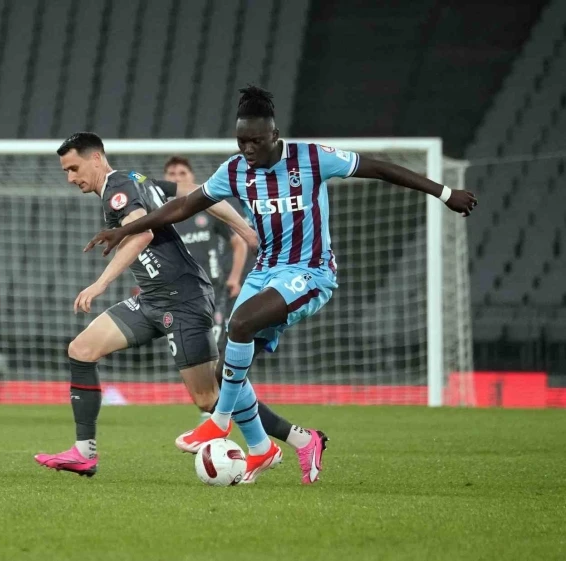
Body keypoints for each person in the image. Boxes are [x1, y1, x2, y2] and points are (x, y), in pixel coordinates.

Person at [86, 85, 478, 483]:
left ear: (275, 135)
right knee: (225, 371)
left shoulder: (311, 158)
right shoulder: (235, 170)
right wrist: (125, 230)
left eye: (256, 141)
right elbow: (185, 205)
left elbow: (378, 168)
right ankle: (273, 447)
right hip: (265, 273)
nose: (248, 149)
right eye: (242, 141)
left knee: (240, 326)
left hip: (310, 272)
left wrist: (445, 193)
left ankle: (219, 421)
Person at [34, 133, 327, 484]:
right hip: (151, 299)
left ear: (96, 158)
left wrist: (100, 284)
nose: (70, 178)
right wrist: (245, 230)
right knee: (81, 350)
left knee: (210, 398)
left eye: (73, 168)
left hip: (183, 299)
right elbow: (201, 193)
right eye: (66, 171)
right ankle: (84, 452)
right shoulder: (136, 179)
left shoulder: (118, 191)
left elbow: (141, 234)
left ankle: (300, 439)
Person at [163, 156, 247, 350]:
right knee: (187, 349)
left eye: (182, 173)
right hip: (176, 292)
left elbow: (239, 243)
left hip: (211, 288)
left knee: (213, 345)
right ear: (165, 178)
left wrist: (234, 279)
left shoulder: (207, 207)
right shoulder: (160, 214)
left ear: (192, 176)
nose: (177, 178)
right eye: (172, 174)